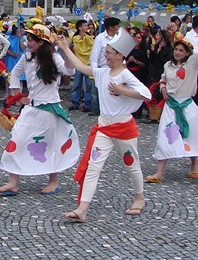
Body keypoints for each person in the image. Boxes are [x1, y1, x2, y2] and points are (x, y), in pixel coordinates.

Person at [57, 28, 151, 220]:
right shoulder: (102, 72)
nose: (105, 55)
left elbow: (146, 94)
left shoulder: (125, 75)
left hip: (123, 127)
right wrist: (65, 47)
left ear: (119, 55)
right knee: (94, 166)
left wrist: (122, 91)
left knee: (131, 164)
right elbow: (81, 68)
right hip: (104, 127)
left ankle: (139, 197)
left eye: (108, 52)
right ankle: (82, 209)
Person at [0, 24, 80, 196]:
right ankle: (13, 182)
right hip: (31, 108)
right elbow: (15, 73)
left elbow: (69, 71)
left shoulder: (55, 58)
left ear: (41, 42)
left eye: (32, 39)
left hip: (50, 109)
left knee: (53, 144)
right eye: (28, 38)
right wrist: (17, 94)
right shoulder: (26, 57)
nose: (28, 42)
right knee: (17, 138)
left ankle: (53, 181)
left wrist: (66, 48)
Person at [146, 34, 198, 183]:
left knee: (192, 134)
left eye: (181, 50)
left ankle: (194, 166)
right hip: (171, 106)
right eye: (176, 49)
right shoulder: (167, 65)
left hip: (187, 105)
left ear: (187, 53)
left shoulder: (192, 63)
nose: (177, 52)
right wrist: (163, 89)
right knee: (165, 136)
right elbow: (163, 79)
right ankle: (159, 172)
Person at [88, 17, 121, 116]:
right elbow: (94, 56)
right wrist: (95, 71)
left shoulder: (119, 38)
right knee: (97, 92)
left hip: (115, 70)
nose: (119, 28)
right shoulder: (100, 38)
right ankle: (96, 109)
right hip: (103, 69)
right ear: (111, 27)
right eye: (117, 26)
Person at [69, 20, 93, 112]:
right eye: (85, 25)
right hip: (78, 64)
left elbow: (91, 45)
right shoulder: (75, 38)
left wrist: (87, 37)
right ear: (79, 27)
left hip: (87, 64)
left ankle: (88, 104)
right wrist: (82, 39)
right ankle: (75, 103)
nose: (86, 27)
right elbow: (78, 49)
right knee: (77, 85)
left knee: (88, 85)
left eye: (87, 25)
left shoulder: (89, 37)